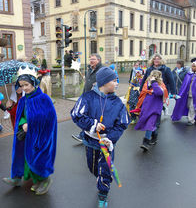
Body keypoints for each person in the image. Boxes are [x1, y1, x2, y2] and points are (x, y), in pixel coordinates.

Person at [71, 67, 129, 208]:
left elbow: (122, 123)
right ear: (104, 82)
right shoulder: (88, 97)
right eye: (114, 81)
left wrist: (110, 138)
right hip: (91, 142)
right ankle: (100, 177)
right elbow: (76, 114)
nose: (117, 84)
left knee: (105, 170)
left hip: (107, 144)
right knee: (93, 168)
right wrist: (92, 124)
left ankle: (103, 192)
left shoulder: (118, 103)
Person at [2, 64, 57, 195]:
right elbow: (19, 116)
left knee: (37, 157)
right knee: (21, 155)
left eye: (26, 84)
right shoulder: (22, 100)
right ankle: (17, 177)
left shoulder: (43, 99)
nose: (24, 88)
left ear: (33, 82)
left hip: (40, 136)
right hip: (25, 134)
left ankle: (44, 179)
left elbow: (49, 119)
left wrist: (31, 125)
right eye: (21, 85)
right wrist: (17, 117)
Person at [139, 54, 176, 143]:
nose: (156, 60)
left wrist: (173, 92)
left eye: (158, 59)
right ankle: (153, 131)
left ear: (161, 60)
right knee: (150, 112)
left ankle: (154, 130)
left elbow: (171, 81)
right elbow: (144, 80)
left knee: (155, 113)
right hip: (149, 95)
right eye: (155, 59)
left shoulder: (166, 69)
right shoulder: (149, 69)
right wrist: (141, 91)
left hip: (160, 94)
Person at [72, 53, 104, 142]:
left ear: (99, 60)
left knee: (92, 117)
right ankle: (84, 135)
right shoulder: (89, 70)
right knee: (87, 116)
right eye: (90, 59)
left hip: (96, 98)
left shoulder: (102, 70)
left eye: (93, 59)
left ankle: (86, 135)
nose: (91, 61)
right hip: (87, 97)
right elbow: (86, 84)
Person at [135, 70, 168, 151]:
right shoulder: (147, 84)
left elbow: (159, 93)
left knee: (150, 124)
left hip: (155, 109)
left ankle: (145, 143)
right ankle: (155, 135)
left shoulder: (160, 85)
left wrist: (154, 83)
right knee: (150, 125)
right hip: (146, 108)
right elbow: (143, 93)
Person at [171, 59, 196, 125]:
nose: (192, 67)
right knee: (187, 105)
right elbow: (185, 84)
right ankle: (190, 116)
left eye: (194, 66)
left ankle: (191, 120)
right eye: (192, 66)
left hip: (194, 95)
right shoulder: (189, 74)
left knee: (192, 107)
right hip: (188, 93)